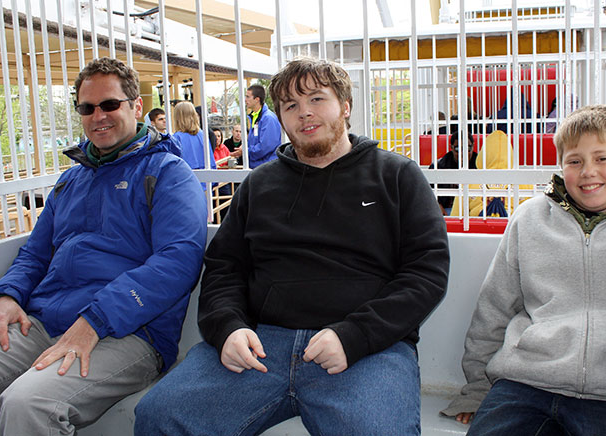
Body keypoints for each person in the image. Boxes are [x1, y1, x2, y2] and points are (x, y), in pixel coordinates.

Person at [134, 57, 450, 436]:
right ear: (281, 119)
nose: (305, 114)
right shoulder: (258, 185)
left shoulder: (397, 176)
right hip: (260, 343)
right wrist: (228, 328)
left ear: (345, 106)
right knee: (159, 414)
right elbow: (224, 268)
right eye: (291, 106)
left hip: (366, 348)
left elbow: (426, 272)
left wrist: (354, 335)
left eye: (317, 99)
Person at [0, 57, 207, 435]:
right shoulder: (71, 180)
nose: (97, 116)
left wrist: (95, 320)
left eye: (109, 104)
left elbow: (177, 263)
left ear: (136, 106)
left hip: (127, 332)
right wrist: (6, 296)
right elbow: (35, 254)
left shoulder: (168, 174)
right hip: (43, 319)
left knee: (28, 404)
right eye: (87, 108)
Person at [442, 105, 606, 436]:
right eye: (575, 161)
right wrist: (478, 388)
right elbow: (493, 308)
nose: (588, 171)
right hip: (524, 385)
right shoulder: (530, 217)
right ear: (561, 166)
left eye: (602, 158)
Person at [230, 84, 281, 169]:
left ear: (257, 99)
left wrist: (246, 151)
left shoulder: (268, 118)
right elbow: (255, 141)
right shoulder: (255, 117)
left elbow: (265, 147)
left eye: (248, 97)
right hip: (259, 167)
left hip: (267, 169)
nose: (245, 100)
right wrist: (244, 147)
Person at [173, 101, 217, 191]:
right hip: (205, 183)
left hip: (186, 186)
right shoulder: (203, 135)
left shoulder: (176, 138)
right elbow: (211, 161)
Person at [429, 131, 477, 213]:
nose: (463, 153)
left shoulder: (481, 165)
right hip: (446, 209)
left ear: (473, 146)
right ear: (451, 147)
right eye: (458, 149)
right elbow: (427, 191)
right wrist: (437, 206)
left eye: (468, 148)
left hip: (473, 209)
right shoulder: (438, 166)